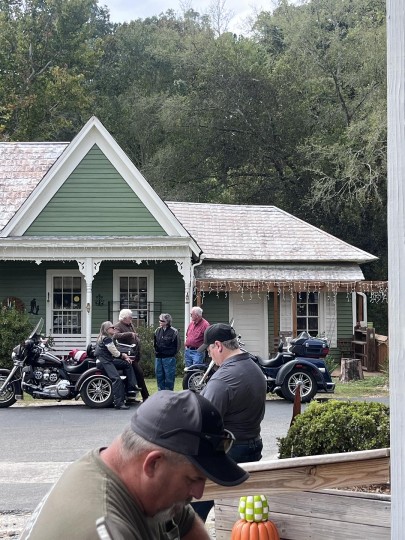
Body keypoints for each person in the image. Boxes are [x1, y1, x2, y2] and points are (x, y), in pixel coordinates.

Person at [20, 390, 248, 540]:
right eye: (193, 479)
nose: (198, 493)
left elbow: (184, 521)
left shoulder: (134, 477)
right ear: (153, 463)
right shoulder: (103, 528)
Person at [193, 323, 267, 521]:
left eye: (209, 350)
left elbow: (204, 423)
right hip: (254, 445)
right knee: (243, 510)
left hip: (229, 451)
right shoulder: (254, 368)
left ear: (218, 346)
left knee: (193, 508)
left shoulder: (222, 379)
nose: (210, 356)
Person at [95, 321, 138, 410]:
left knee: (127, 364)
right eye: (112, 327)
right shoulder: (106, 339)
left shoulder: (103, 338)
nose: (114, 328)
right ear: (107, 329)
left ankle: (131, 387)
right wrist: (123, 356)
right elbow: (115, 352)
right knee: (116, 379)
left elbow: (114, 351)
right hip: (105, 362)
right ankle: (119, 403)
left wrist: (123, 356)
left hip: (107, 360)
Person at [114, 308, 150, 402]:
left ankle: (131, 397)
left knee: (132, 375)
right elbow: (116, 335)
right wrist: (129, 334)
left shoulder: (130, 325)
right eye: (130, 317)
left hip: (134, 354)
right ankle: (145, 396)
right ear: (124, 318)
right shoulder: (118, 326)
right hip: (127, 355)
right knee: (139, 373)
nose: (132, 318)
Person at [154, 313, 181, 391]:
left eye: (162, 321)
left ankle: (169, 393)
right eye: (159, 320)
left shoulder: (174, 331)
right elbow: (154, 343)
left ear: (167, 322)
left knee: (169, 377)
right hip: (158, 357)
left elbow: (178, 345)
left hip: (169, 358)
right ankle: (160, 393)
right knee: (159, 376)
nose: (160, 322)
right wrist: (156, 352)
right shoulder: (157, 330)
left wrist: (171, 353)